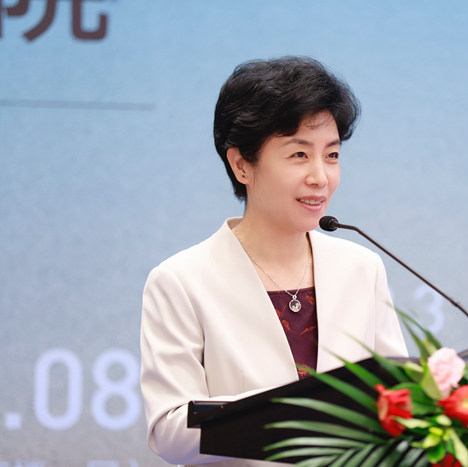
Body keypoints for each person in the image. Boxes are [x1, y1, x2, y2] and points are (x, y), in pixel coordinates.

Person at [139, 56, 408, 466]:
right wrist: (294, 412)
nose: (320, 176)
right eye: (299, 154)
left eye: (332, 155)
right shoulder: (181, 281)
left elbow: (396, 400)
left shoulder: (361, 268)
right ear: (241, 164)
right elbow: (171, 432)